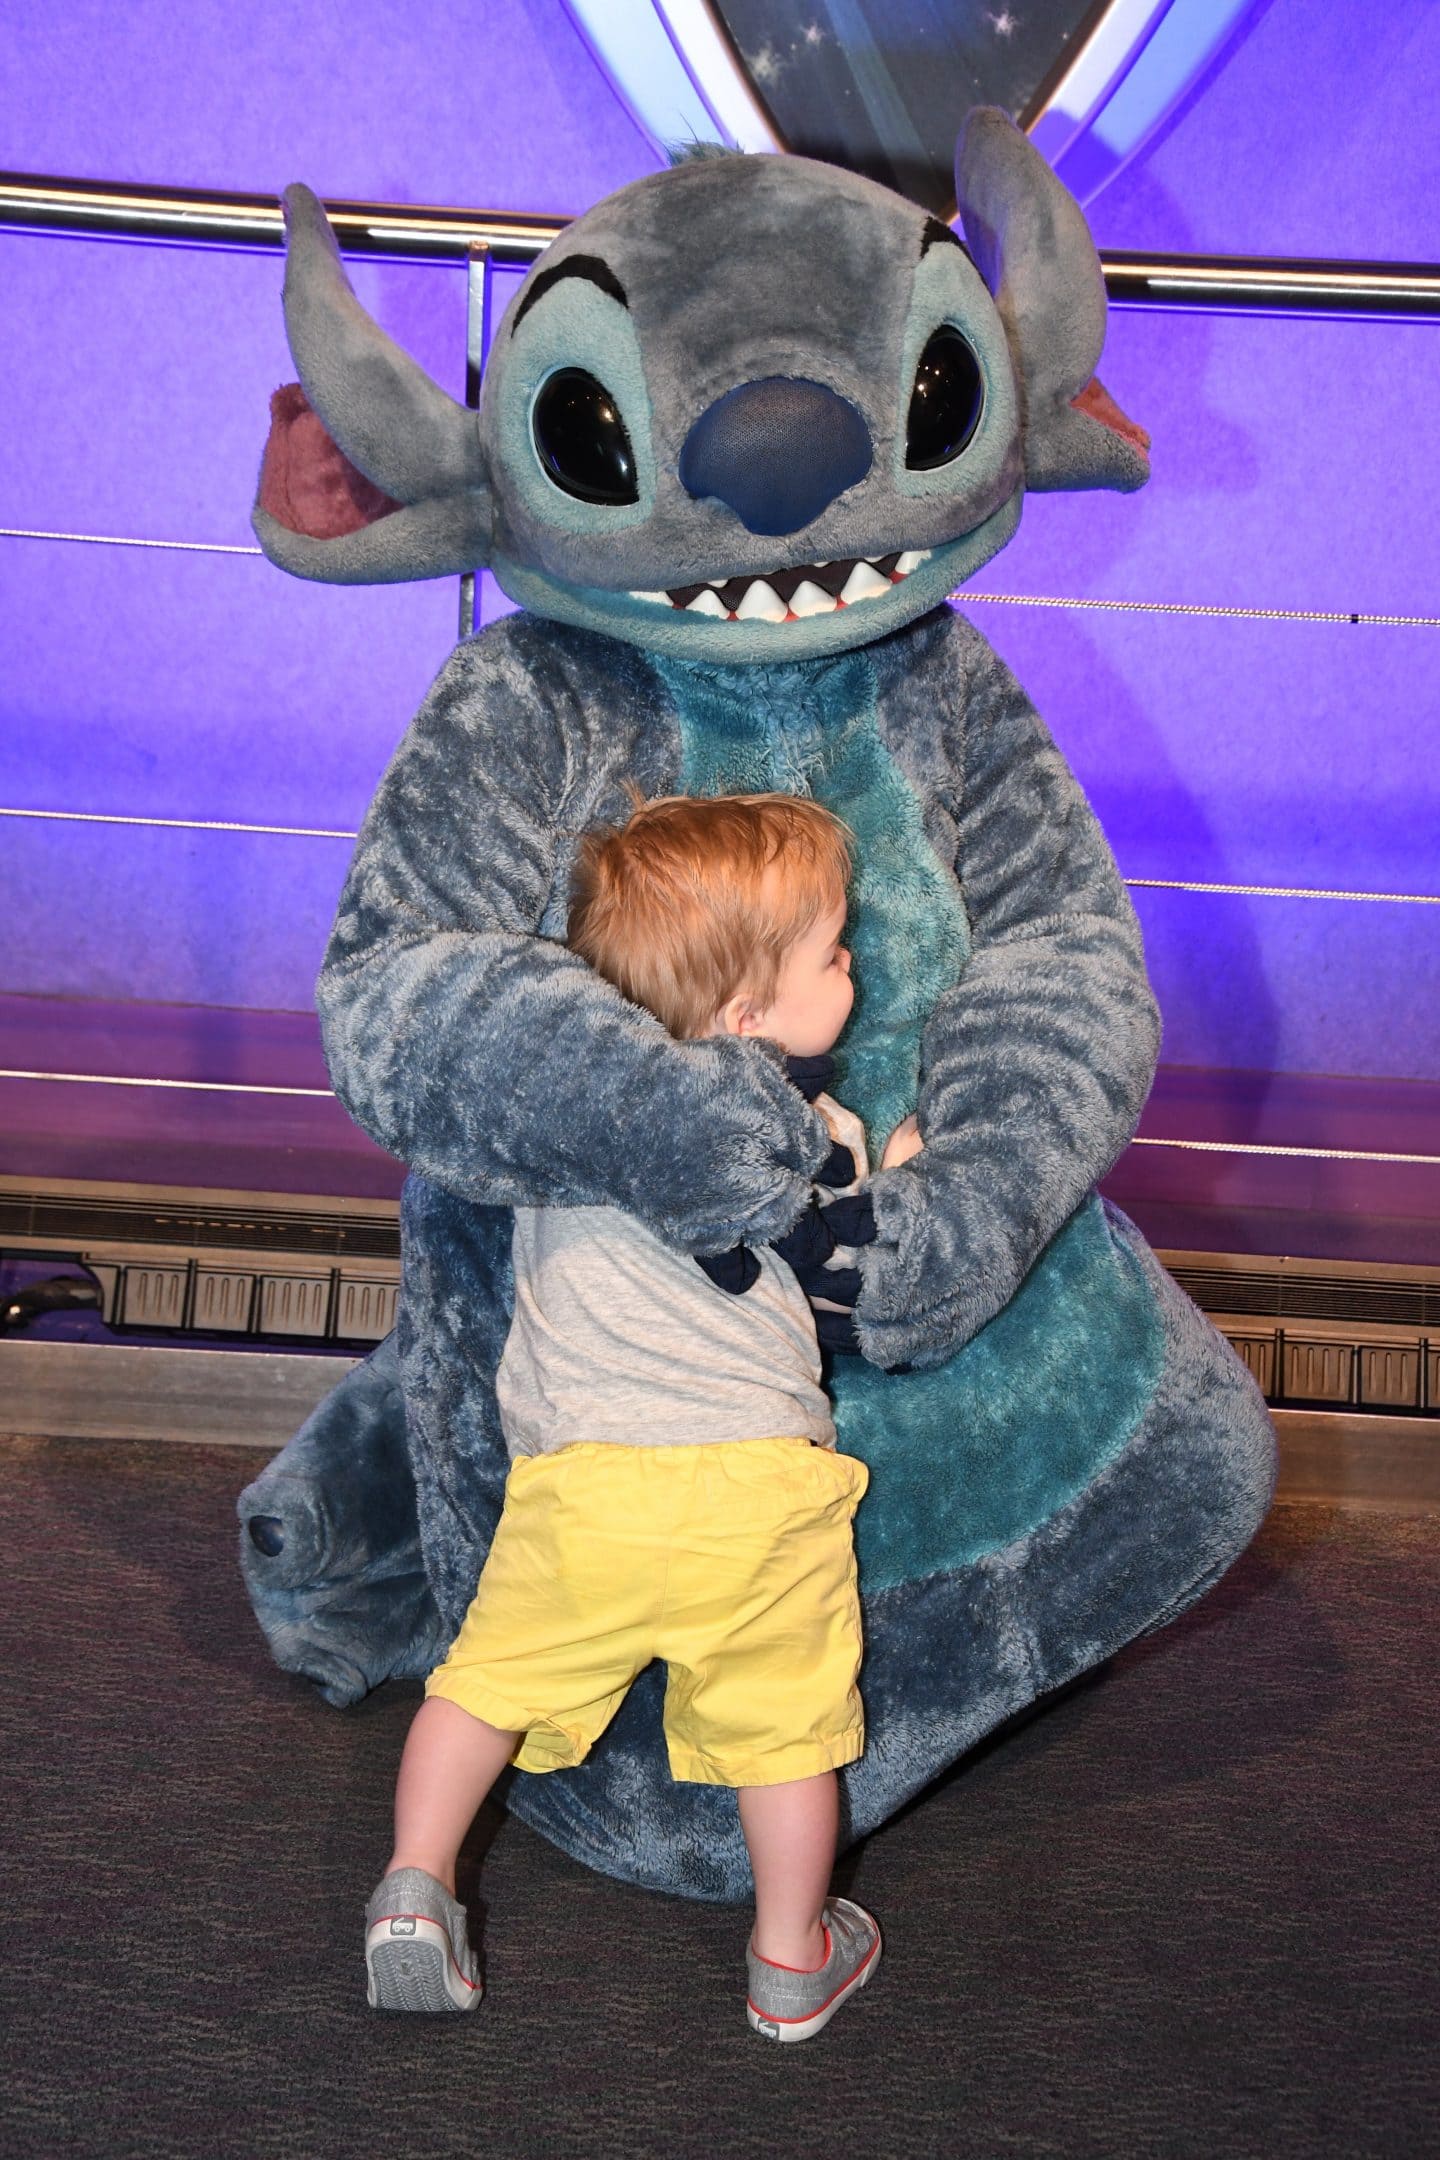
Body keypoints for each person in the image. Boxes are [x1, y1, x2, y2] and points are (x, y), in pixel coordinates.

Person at [362, 791, 923, 2040]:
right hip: (757, 1496)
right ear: (746, 1019)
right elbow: (851, 1293)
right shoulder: (811, 1133)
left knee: (483, 1687)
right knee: (788, 1735)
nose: (857, 967)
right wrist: (906, 1173)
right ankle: (790, 1957)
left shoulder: (570, 1124)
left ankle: (414, 1887)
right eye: (833, 954)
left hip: (588, 1487)